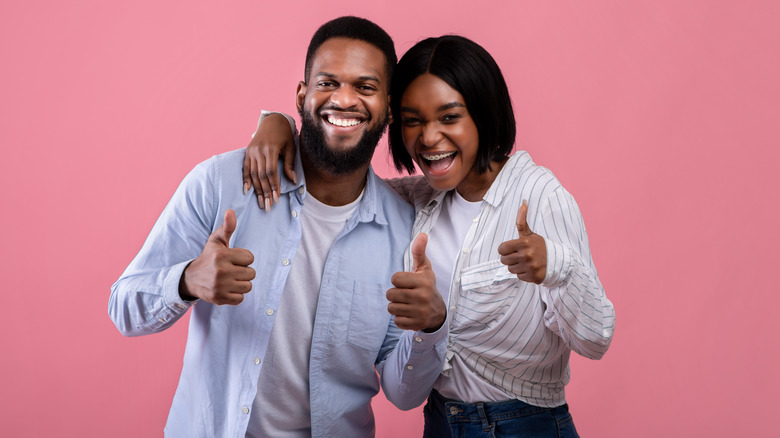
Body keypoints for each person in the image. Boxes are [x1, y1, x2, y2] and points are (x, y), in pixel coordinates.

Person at [244, 35, 615, 437]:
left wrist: (556, 267)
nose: (429, 137)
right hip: (441, 423)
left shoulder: (541, 197)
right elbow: (338, 181)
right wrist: (277, 122)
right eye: (413, 120)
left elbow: (596, 340)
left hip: (526, 426)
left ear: (484, 114)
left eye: (449, 117)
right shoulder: (416, 200)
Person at [109, 16, 449, 438]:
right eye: (327, 83)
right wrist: (186, 280)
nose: (344, 100)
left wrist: (432, 327)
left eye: (365, 87)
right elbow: (123, 307)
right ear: (301, 94)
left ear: (389, 107)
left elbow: (403, 394)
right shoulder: (221, 183)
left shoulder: (404, 231)